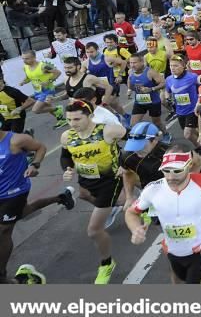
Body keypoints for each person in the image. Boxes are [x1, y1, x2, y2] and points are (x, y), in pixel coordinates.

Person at [126, 143, 201, 284]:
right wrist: (135, 229)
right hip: (173, 251)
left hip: (200, 249)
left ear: (189, 166)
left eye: (177, 171)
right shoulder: (153, 190)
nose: (171, 176)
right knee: (180, 278)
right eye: (166, 170)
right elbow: (131, 213)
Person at [60, 100, 127, 283]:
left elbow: (134, 141)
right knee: (82, 195)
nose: (73, 123)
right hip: (86, 181)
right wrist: (68, 169)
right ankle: (134, 204)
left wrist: (124, 165)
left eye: (77, 119)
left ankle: (107, 264)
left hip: (109, 182)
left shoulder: (108, 130)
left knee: (93, 230)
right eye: (69, 119)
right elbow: (66, 156)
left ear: (90, 116)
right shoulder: (67, 136)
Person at [0, 128, 75, 282]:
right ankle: (61, 198)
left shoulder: (16, 140)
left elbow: (40, 148)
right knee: (26, 211)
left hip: (14, 192)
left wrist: (34, 165)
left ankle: (2, 274)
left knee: (4, 230)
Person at [19, 50, 66, 127]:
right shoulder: (25, 67)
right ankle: (62, 120)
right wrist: (24, 81)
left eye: (27, 58)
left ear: (34, 57)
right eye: (23, 59)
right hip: (37, 91)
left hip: (47, 90)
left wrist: (49, 81)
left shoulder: (43, 66)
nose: (24, 61)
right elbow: (29, 77)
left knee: (35, 110)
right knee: (47, 107)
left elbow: (58, 72)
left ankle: (57, 109)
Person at [163, 55, 200, 147]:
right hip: (180, 111)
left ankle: (200, 148)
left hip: (193, 110)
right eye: (171, 65)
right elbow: (167, 91)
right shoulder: (169, 79)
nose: (172, 68)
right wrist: (168, 98)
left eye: (176, 65)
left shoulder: (193, 77)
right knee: (194, 131)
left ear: (183, 66)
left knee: (187, 134)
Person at [127, 52, 165, 131]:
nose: (132, 65)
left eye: (135, 63)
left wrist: (151, 89)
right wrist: (129, 89)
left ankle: (166, 134)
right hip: (139, 102)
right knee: (133, 124)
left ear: (141, 62)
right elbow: (130, 79)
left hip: (153, 102)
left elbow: (163, 83)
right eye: (130, 63)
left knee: (157, 123)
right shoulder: (131, 71)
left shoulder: (150, 72)